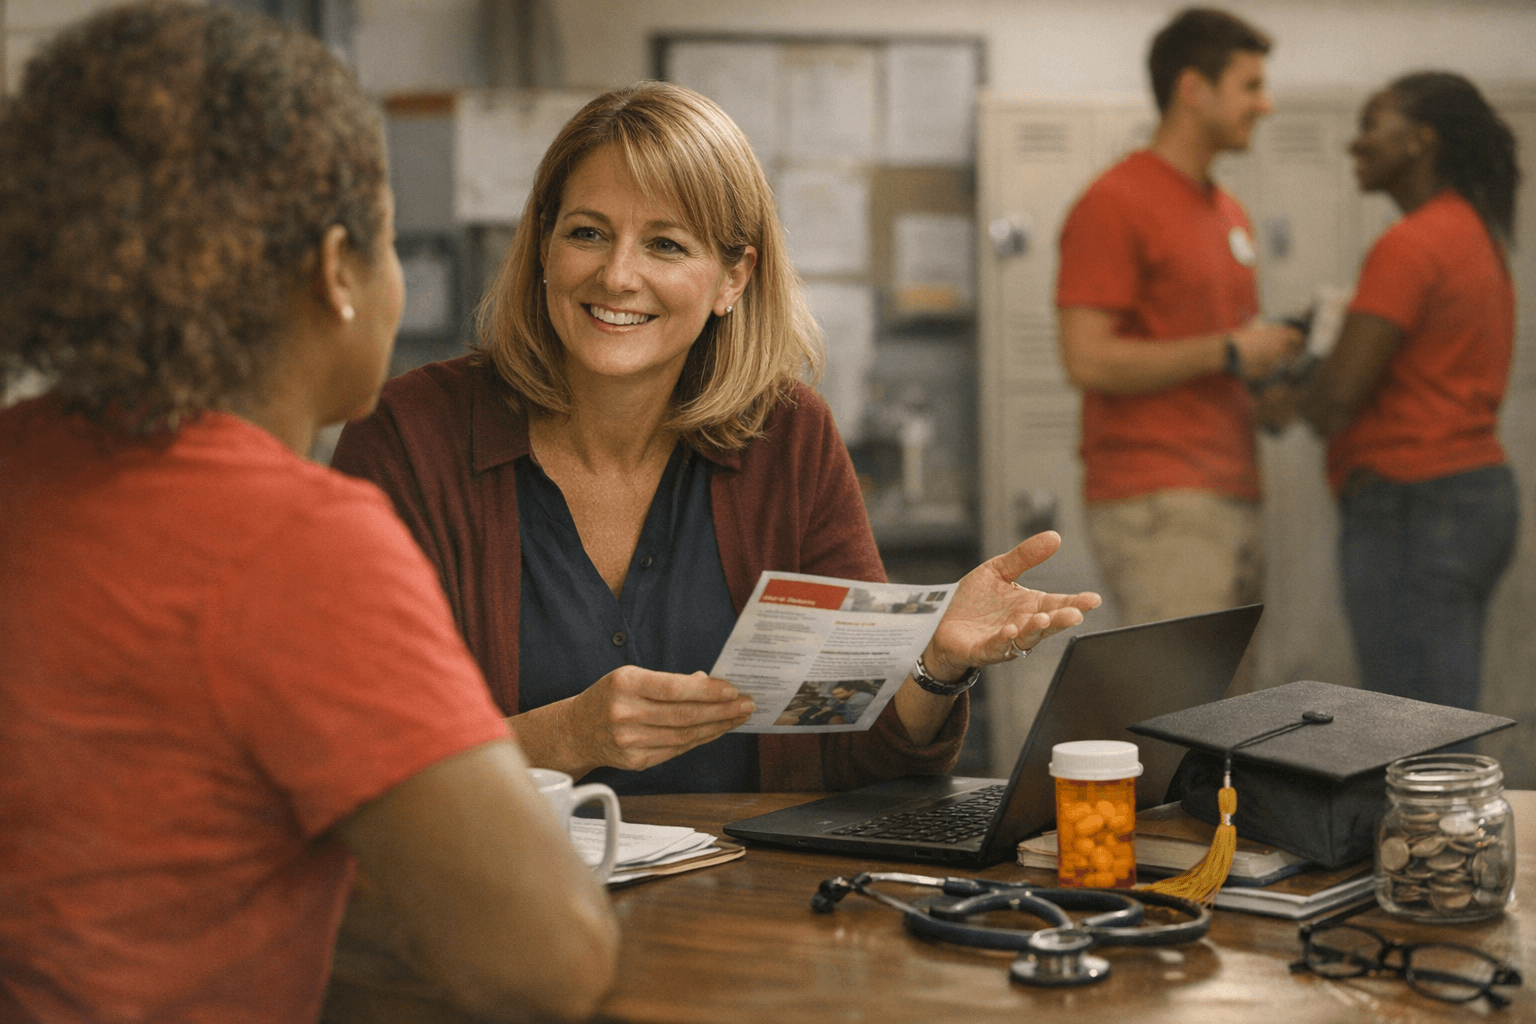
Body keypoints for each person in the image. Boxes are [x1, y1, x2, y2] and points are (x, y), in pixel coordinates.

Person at [0, 4, 617, 1023]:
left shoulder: (19, 459)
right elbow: (549, 959)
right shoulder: (299, 542)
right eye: (385, 239)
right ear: (336, 271)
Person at [334, 81, 1101, 795]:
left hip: (744, 913)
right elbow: (347, 753)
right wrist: (560, 736)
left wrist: (934, 663)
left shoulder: (788, 438)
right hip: (500, 915)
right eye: (588, 233)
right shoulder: (410, 438)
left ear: (734, 279)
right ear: (543, 248)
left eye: (666, 244)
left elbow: (854, 759)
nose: (618, 275)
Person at [1263, 72, 1520, 712]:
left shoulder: (1409, 244)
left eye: (1371, 125)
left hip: (1411, 504)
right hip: (1474, 491)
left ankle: (1440, 818)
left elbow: (1334, 401)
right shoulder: (1473, 232)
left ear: (1419, 141)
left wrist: (1293, 374)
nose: (1355, 145)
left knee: (1413, 724)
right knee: (1441, 708)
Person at [1055, 8, 1303, 654]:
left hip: (1230, 490)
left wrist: (1273, 374)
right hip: (1160, 498)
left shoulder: (1227, 209)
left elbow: (1228, 360)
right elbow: (1086, 359)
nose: (1266, 105)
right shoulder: (1116, 201)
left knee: (1229, 721)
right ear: (1194, 89)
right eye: (1251, 86)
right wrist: (1227, 351)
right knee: (1185, 720)